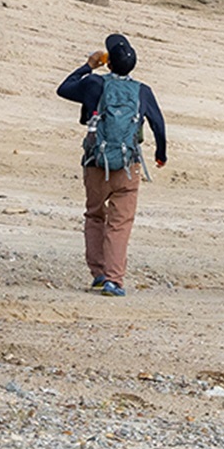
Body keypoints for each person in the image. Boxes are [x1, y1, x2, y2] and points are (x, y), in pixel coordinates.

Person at [55, 33, 167, 296]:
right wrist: (161, 154)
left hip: (96, 160)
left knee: (95, 214)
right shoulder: (143, 91)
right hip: (128, 164)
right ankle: (114, 280)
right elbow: (158, 125)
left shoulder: (93, 83)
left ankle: (99, 272)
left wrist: (88, 66)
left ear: (108, 63)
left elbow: (64, 88)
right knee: (120, 222)